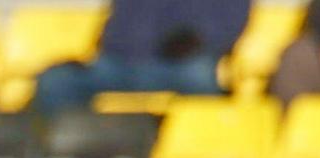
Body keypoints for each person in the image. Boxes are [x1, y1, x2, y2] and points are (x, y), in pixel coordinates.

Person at [35, 0, 247, 107]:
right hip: (119, 64)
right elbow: (115, 27)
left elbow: (229, 23)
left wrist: (198, 41)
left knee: (200, 78)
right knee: (56, 81)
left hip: (178, 66)